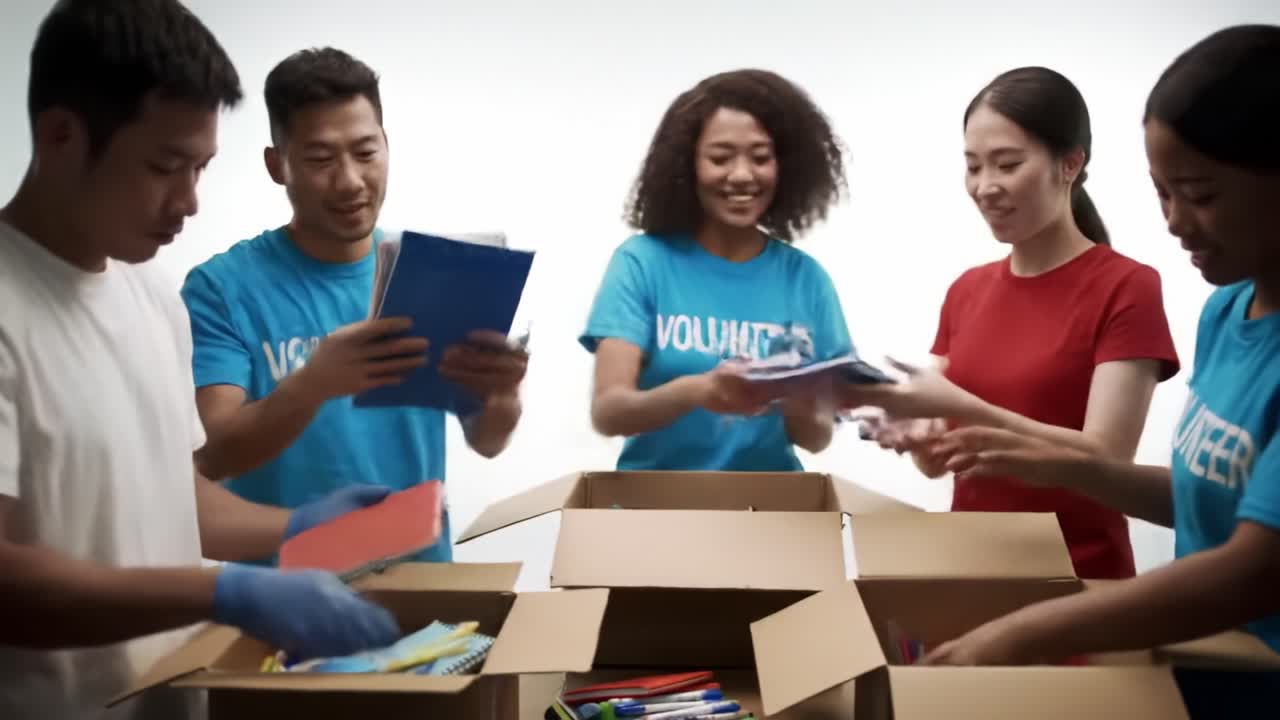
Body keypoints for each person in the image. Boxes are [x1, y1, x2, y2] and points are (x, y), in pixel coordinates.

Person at [0, 2, 402, 719]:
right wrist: (225, 590)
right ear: (61, 136)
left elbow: (173, 495)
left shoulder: (152, 298)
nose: (189, 201)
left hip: (177, 700)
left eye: (202, 167)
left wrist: (299, 529)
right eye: (164, 167)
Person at [904, 24, 1280, 718]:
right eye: (1162, 192)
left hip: (1134, 622)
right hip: (1169, 650)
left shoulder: (1124, 286)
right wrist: (942, 435)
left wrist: (1024, 627)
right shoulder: (1228, 311)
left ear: (1068, 164)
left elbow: (1252, 569)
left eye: (1197, 193)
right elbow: (1206, 499)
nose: (1173, 220)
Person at [181, 48, 527, 564]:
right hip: (283, 598)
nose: (349, 181)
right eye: (321, 160)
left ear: (386, 146)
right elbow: (218, 452)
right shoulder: (221, 289)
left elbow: (488, 441)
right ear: (278, 166)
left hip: (421, 583)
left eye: (366, 153)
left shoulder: (432, 273)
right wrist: (315, 382)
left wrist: (501, 395)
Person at [850, 66, 1180, 579]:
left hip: (1080, 584)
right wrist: (919, 433)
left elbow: (1107, 458)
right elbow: (940, 464)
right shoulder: (966, 290)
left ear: (1069, 164)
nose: (985, 187)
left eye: (1006, 165)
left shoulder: (1127, 286)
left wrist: (961, 406)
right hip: (970, 578)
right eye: (973, 167)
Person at [580, 68, 854, 472]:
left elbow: (817, 438)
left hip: (769, 517)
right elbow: (608, 411)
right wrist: (700, 390)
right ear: (687, 164)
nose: (742, 175)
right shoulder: (641, 263)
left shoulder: (807, 280)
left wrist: (795, 399)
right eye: (720, 158)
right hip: (649, 518)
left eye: (761, 158)